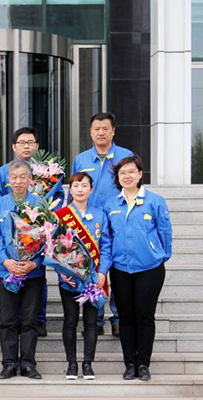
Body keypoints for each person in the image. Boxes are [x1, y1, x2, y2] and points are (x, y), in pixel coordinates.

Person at [100, 155, 172, 381]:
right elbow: (107, 238)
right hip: (121, 269)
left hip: (150, 268)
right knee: (126, 317)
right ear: (117, 178)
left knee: (144, 316)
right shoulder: (111, 204)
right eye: (122, 173)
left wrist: (159, 255)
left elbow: (165, 232)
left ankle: (143, 364)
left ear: (140, 174)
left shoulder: (155, 201)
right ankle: (130, 363)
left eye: (131, 171)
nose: (127, 176)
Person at [0, 127, 65, 337]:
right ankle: (16, 321)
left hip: (36, 238)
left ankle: (38, 319)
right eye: (22, 142)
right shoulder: (3, 172)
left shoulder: (48, 172)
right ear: (14, 146)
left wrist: (45, 223)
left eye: (30, 142)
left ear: (37, 146)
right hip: (10, 237)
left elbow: (58, 198)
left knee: (36, 280)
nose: (26, 146)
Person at [72, 112, 133, 337]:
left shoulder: (125, 156)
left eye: (105, 128)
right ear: (90, 132)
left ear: (113, 131)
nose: (101, 133)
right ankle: (95, 319)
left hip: (118, 221)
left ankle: (117, 319)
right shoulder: (81, 159)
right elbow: (74, 190)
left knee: (117, 272)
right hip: (90, 224)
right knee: (92, 269)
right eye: (96, 129)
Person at [0, 160, 45, 380]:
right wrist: (6, 261)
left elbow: (47, 237)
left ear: (30, 179)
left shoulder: (40, 204)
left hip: (33, 272)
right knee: (8, 320)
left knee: (30, 320)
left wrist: (35, 262)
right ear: (8, 180)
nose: (18, 181)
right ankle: (9, 364)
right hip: (6, 271)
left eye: (23, 177)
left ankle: (28, 364)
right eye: (14, 177)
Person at [51, 172, 111, 380]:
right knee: (70, 320)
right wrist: (61, 272)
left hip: (93, 280)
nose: (80, 189)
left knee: (91, 322)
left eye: (84, 185)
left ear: (91, 190)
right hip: (70, 280)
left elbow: (106, 247)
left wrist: (102, 272)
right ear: (71, 189)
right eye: (76, 185)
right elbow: (52, 248)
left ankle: (87, 364)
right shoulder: (61, 215)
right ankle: (72, 364)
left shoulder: (100, 215)